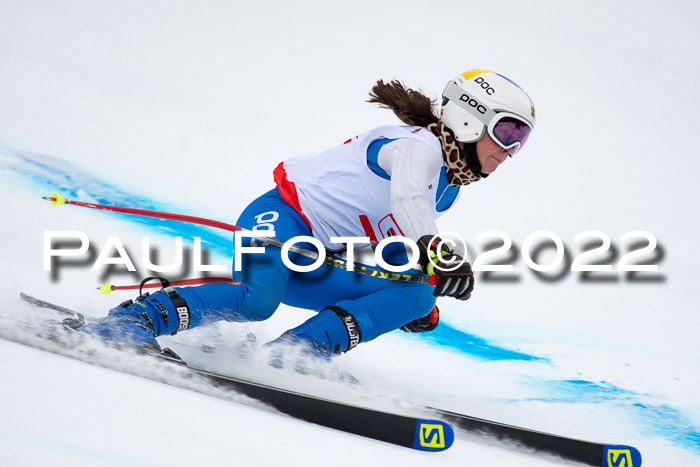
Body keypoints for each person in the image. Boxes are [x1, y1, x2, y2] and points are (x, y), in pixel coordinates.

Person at [79, 69, 536, 362]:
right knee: (256, 302)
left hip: (322, 260)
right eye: (507, 130)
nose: (511, 149)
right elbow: (408, 202)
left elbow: (396, 240)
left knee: (418, 295)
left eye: (522, 138)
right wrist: (437, 253)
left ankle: (297, 355)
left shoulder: (448, 190)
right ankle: (133, 321)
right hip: (280, 222)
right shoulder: (419, 147)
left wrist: (408, 299)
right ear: (468, 119)